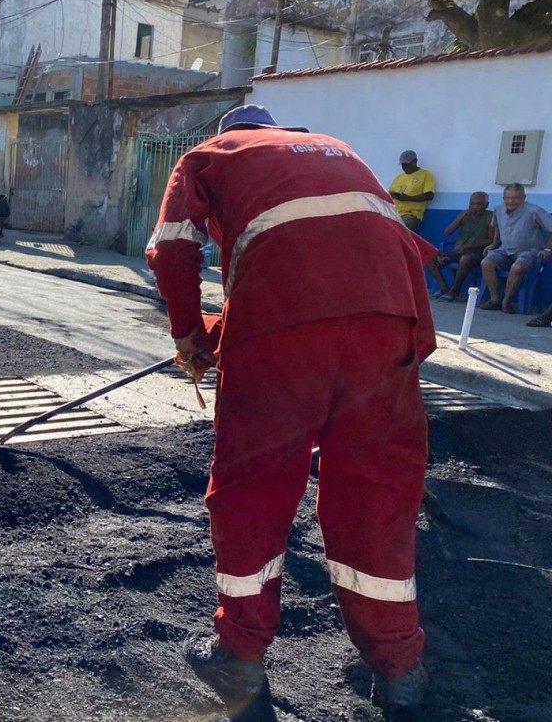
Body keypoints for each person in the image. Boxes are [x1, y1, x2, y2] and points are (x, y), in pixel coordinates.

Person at [145, 105, 436, 722]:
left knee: (255, 486)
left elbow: (172, 252)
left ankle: (239, 653)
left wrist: (190, 339)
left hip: (283, 338)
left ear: (228, 133)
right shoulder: (337, 149)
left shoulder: (213, 156)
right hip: (388, 328)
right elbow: (391, 255)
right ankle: (400, 669)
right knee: (377, 495)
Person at [480, 183, 552, 313]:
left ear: (523, 198)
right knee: (486, 262)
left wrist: (547, 249)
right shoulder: (499, 209)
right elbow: (496, 226)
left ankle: (506, 301)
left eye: (514, 198)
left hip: (529, 251)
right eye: (507, 198)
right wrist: (494, 244)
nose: (510, 201)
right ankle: (495, 299)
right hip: (504, 249)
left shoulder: (534, 211)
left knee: (517, 267)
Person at [427, 191, 493, 301]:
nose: (475, 207)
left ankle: (455, 290)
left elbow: (491, 240)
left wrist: (469, 246)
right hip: (458, 251)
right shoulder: (465, 215)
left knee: (466, 258)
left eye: (479, 204)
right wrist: (459, 219)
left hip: (478, 253)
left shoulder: (490, 217)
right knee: (428, 255)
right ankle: (443, 287)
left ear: (486, 205)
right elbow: (447, 232)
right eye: (472, 204)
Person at [389, 150, 436, 232]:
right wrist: (394, 195)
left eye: (407, 165)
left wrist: (408, 198)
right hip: (394, 213)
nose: (404, 167)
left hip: (411, 215)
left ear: (415, 161)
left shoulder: (426, 175)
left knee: (400, 232)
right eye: (403, 165)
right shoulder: (399, 177)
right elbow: (391, 193)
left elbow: (429, 196)